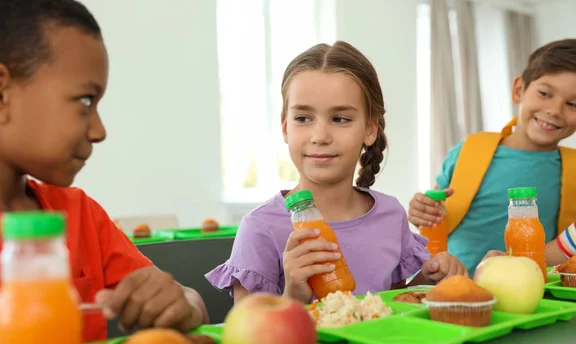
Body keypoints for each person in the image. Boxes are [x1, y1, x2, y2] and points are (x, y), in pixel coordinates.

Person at [0, 1, 209, 344]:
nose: (99, 130)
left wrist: (181, 303)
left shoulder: (81, 213)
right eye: (85, 101)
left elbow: (191, 304)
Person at [206, 41, 468, 305]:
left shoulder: (390, 214)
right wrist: (293, 296)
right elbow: (249, 337)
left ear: (370, 128)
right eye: (303, 118)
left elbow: (393, 305)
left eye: (340, 118)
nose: (320, 136)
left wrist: (430, 278)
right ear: (285, 127)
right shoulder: (261, 228)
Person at [408, 39, 576, 275]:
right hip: (452, 291)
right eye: (545, 93)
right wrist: (422, 212)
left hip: (530, 300)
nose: (555, 110)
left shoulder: (573, 170)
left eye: (573, 104)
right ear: (519, 89)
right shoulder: (468, 152)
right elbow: (435, 221)